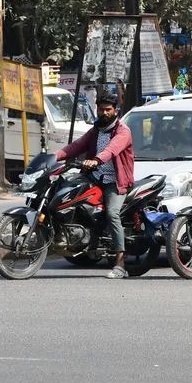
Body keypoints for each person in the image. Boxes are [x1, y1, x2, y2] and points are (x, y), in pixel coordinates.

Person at [54, 94, 134, 278]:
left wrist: (96, 160)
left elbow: (111, 150)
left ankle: (120, 264)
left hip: (115, 181)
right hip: (95, 177)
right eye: (101, 109)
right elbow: (77, 146)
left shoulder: (123, 131)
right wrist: (53, 157)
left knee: (112, 213)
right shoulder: (96, 130)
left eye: (108, 110)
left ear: (116, 111)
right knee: (66, 194)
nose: (104, 113)